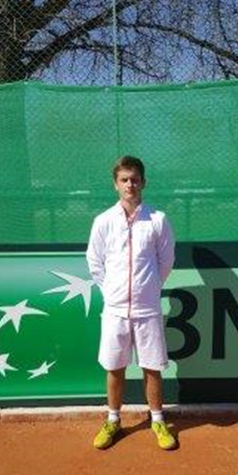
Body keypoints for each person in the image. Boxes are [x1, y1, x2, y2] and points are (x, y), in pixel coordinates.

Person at [86, 156, 176, 450]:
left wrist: (148, 288)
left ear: (143, 182)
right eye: (124, 180)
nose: (130, 185)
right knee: (115, 368)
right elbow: (94, 262)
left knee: (152, 367)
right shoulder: (103, 221)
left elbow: (166, 261)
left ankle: (158, 420)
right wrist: (111, 292)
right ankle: (113, 420)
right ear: (116, 184)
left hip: (147, 309)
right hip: (114, 311)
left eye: (135, 179)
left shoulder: (158, 220)